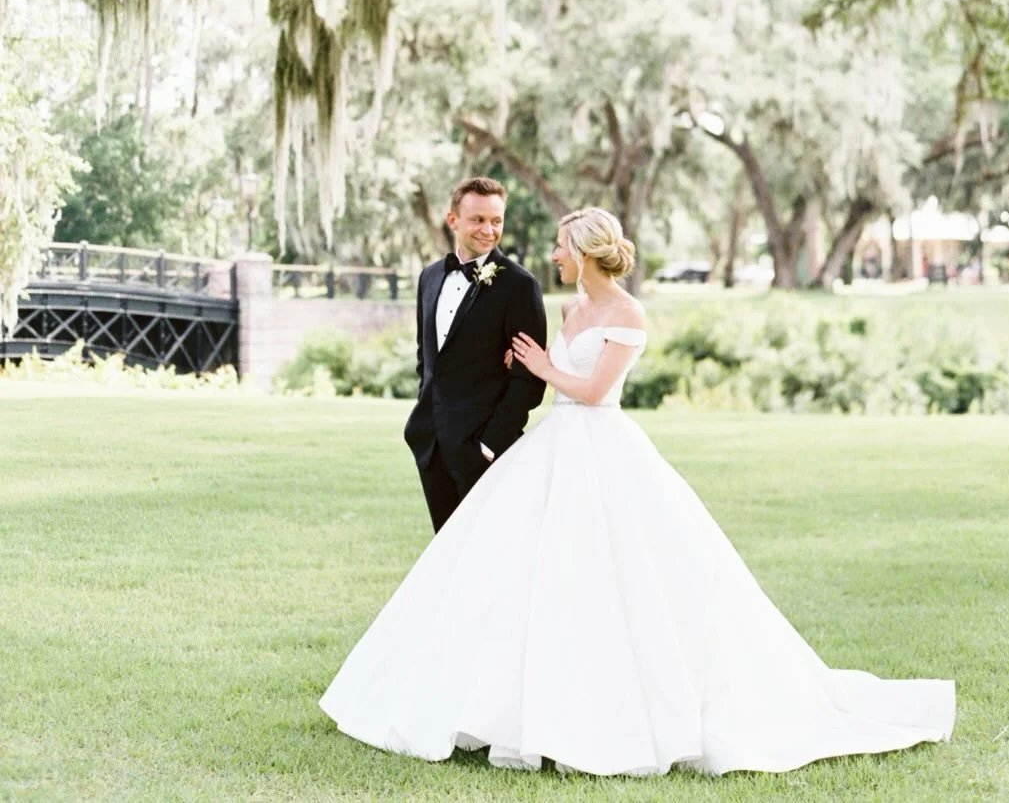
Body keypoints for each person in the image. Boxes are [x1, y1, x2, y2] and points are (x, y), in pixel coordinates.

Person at [321, 206, 955, 777]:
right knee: (520, 572)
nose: (554, 256)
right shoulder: (571, 310)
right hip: (553, 447)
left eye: (563, 246)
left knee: (625, 574)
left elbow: (595, 391)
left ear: (589, 251)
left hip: (603, 445)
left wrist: (544, 367)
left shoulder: (627, 313)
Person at [403, 176, 547, 532]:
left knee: (488, 554)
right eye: (478, 219)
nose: (489, 230)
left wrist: (489, 444)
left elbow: (529, 378)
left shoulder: (519, 285)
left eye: (496, 221)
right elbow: (428, 358)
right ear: (453, 220)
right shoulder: (430, 277)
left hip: (482, 449)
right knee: (444, 553)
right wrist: (423, 425)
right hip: (431, 443)